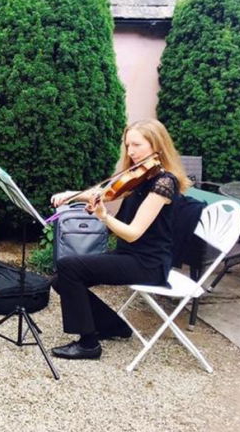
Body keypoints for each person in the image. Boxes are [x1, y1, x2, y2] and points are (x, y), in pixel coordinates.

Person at [49, 119, 191, 360]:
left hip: (148, 263)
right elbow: (103, 194)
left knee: (68, 267)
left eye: (137, 145)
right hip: (129, 255)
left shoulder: (164, 183)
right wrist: (71, 195)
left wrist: (104, 217)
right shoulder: (141, 175)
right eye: (128, 145)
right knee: (61, 279)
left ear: (157, 145)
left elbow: (133, 232)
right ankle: (113, 326)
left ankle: (88, 345)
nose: (131, 151)